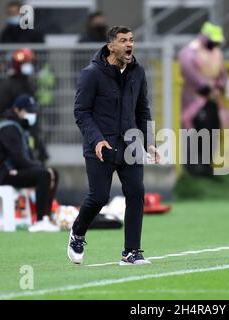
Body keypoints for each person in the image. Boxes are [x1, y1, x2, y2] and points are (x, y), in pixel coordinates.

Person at [69, 25, 160, 265]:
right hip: (101, 146)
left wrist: (149, 142)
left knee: (136, 193)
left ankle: (131, 252)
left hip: (130, 143)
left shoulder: (138, 71)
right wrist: (96, 139)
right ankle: (77, 232)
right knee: (99, 197)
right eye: (123, 41)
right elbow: (81, 111)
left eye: (131, 40)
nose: (129, 44)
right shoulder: (92, 73)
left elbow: (143, 109)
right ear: (111, 46)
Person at [0, 94, 59, 232]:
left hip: (11, 171)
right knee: (44, 174)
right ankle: (40, 220)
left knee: (51, 173)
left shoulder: (20, 127)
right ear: (17, 110)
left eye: (33, 111)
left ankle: (47, 218)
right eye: (28, 111)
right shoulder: (8, 128)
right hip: (0, 174)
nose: (31, 114)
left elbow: (27, 158)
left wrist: (44, 169)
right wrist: (42, 169)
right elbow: (19, 159)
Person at [177, 22, 229, 176]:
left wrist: (219, 87)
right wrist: (205, 89)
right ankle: (193, 168)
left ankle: (206, 167)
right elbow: (189, 71)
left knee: (212, 130)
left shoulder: (216, 53)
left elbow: (222, 73)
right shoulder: (190, 52)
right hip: (195, 99)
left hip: (213, 99)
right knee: (195, 131)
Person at [0, 47, 49, 163]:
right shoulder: (9, 86)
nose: (30, 66)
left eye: (31, 63)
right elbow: (0, 107)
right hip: (16, 132)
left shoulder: (30, 84)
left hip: (31, 132)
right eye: (26, 63)